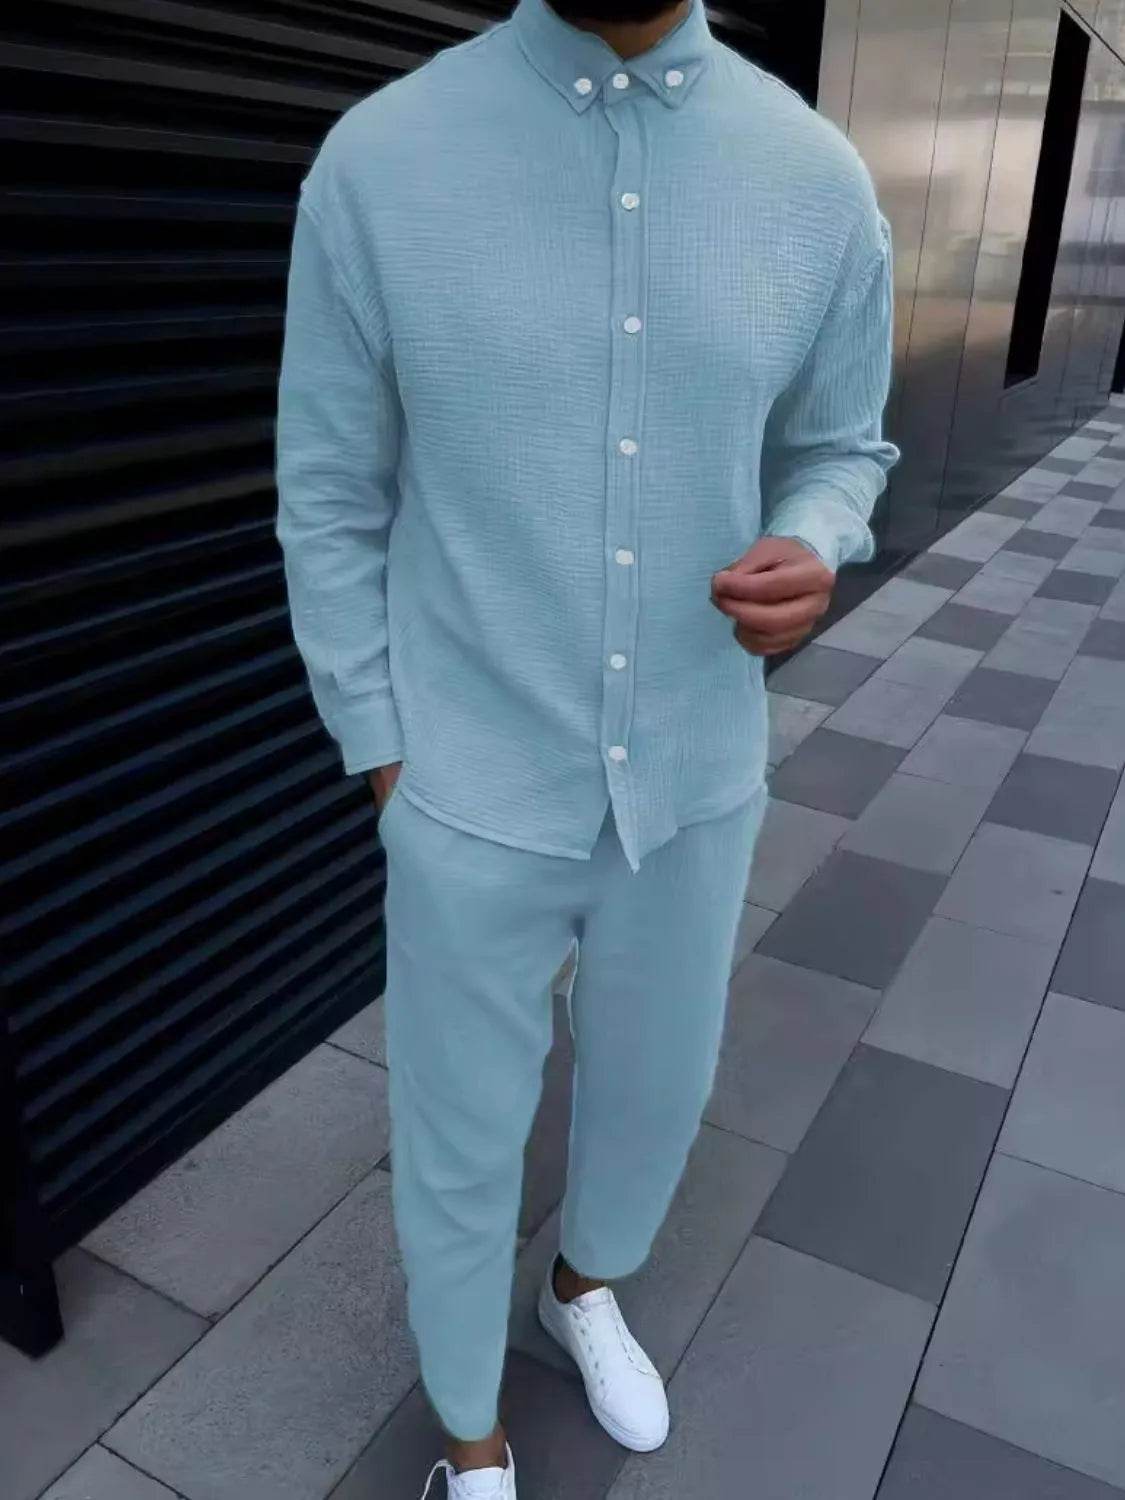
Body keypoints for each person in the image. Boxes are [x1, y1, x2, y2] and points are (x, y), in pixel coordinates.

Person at [275, 0, 898, 1490]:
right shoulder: (379, 162)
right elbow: (331, 488)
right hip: (465, 775)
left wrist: (815, 537)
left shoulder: (813, 177)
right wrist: (382, 749)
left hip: (692, 772)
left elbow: (841, 447)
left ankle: (581, 1292)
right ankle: (469, 1436)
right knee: (456, 1134)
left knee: (658, 1090)